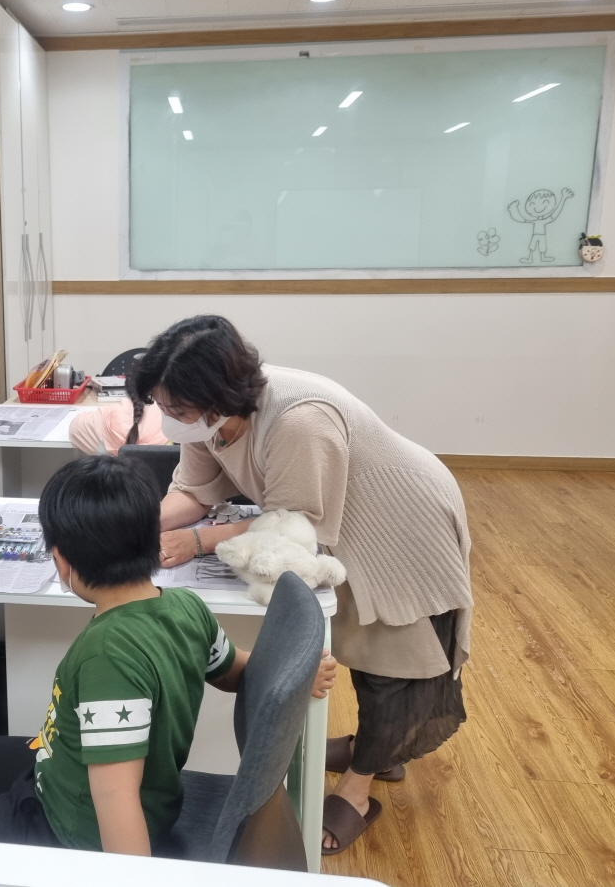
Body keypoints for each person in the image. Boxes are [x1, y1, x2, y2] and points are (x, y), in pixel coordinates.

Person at [128, 315, 472, 856]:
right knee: (354, 638)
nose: (170, 420)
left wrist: (198, 542)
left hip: (402, 521)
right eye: (163, 407)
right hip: (331, 519)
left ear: (219, 397)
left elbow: (296, 523)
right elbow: (192, 492)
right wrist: (137, 526)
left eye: (179, 409)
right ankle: (375, 750)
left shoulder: (298, 419)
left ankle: (358, 789)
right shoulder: (206, 420)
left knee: (395, 660)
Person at [0, 454, 339, 854]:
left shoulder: (107, 658)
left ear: (61, 560)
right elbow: (235, 672)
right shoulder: (186, 608)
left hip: (65, 830)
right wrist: (293, 675)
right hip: (73, 781)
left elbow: (115, 797)